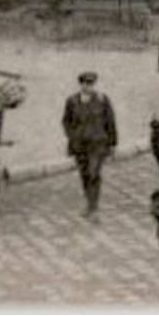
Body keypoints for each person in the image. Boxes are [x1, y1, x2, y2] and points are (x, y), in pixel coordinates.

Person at [62, 71, 116, 219]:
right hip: (80, 145)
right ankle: (89, 202)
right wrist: (72, 136)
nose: (88, 87)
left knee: (94, 173)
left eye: (91, 84)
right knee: (84, 174)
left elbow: (110, 122)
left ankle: (94, 207)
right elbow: (66, 121)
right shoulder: (72, 101)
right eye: (85, 84)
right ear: (81, 85)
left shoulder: (102, 100)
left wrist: (112, 144)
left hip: (98, 144)